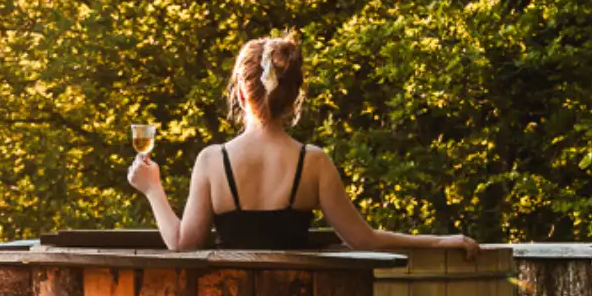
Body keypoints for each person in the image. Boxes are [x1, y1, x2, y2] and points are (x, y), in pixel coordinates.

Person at [127, 32, 481, 258]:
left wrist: (153, 189)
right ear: (296, 95)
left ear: (239, 93)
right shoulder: (313, 163)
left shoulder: (212, 161)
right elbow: (365, 240)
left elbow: (182, 244)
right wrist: (439, 242)